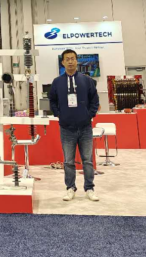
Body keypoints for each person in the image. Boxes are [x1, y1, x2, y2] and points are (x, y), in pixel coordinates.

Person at [49, 49, 100, 202]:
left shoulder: (87, 80)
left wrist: (89, 115)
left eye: (73, 58)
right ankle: (70, 188)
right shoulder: (57, 82)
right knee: (68, 161)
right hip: (66, 128)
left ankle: (89, 188)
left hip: (85, 128)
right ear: (63, 62)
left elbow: (94, 100)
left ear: (77, 61)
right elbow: (52, 101)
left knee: (87, 160)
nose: (70, 61)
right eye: (67, 59)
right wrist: (59, 114)